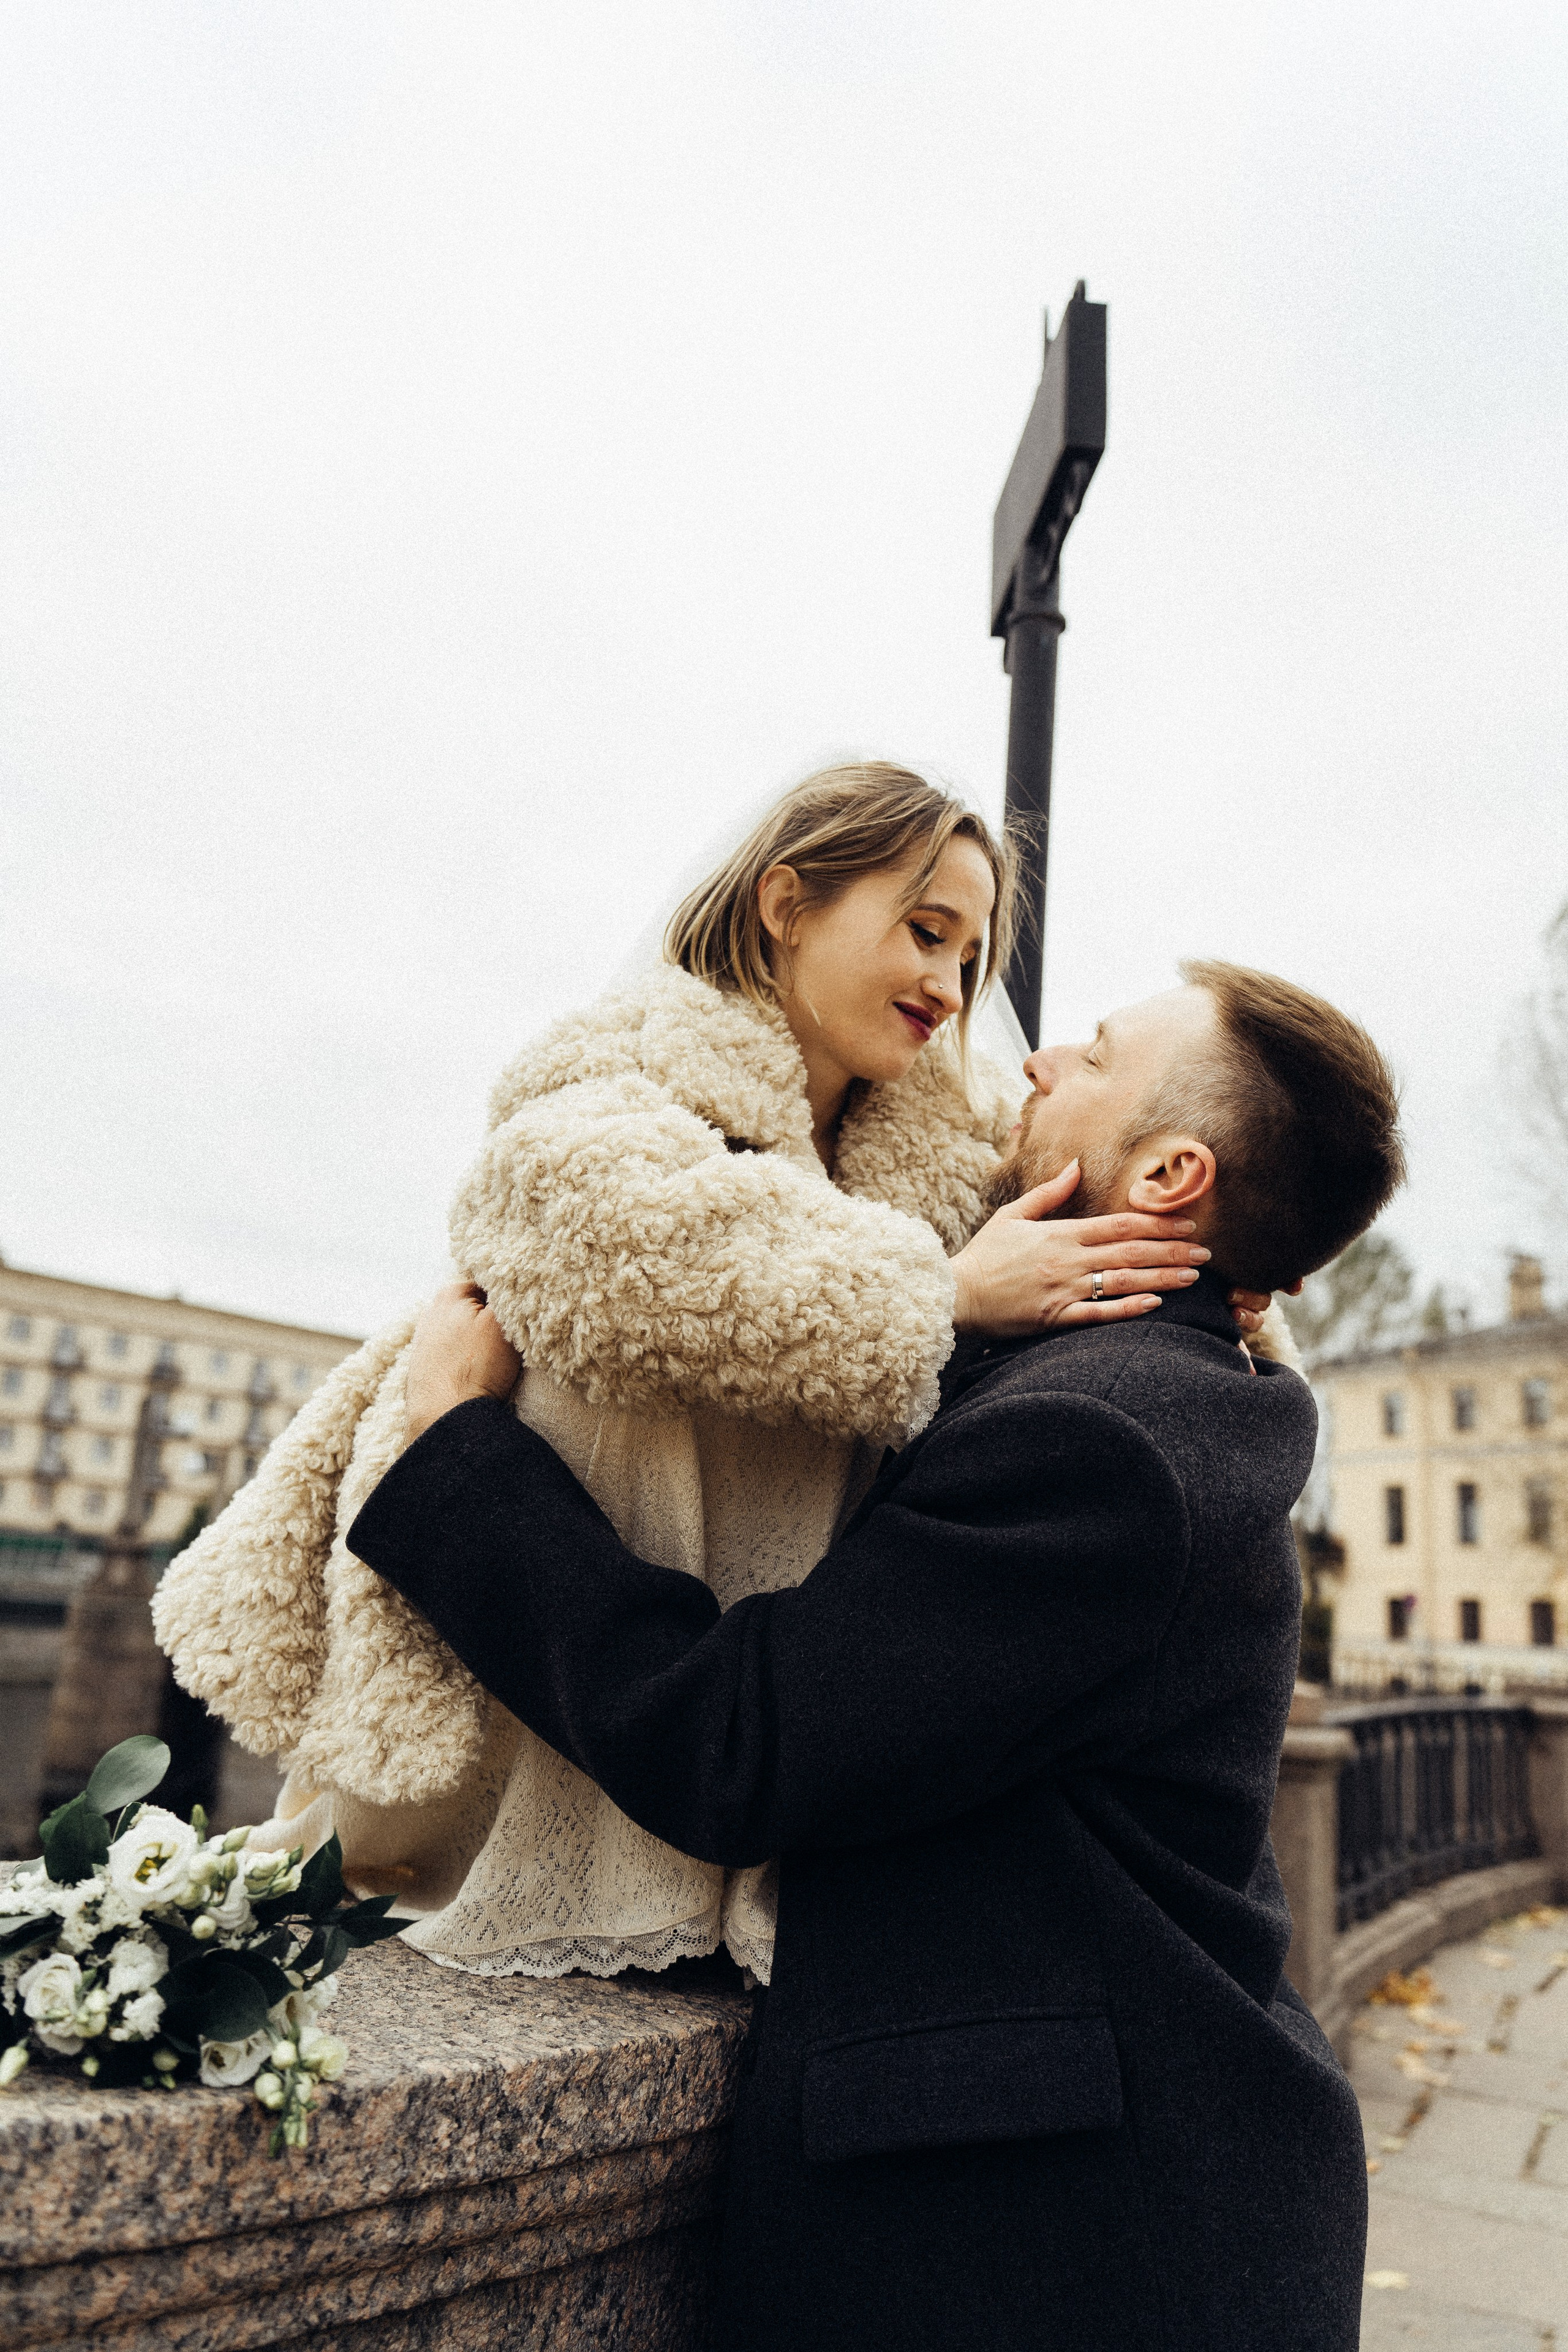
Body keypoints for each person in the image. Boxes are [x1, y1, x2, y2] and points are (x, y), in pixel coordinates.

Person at [345, 959, 1403, 2352]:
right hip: (1111, 2186)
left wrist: (458, 1456)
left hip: (1059, 2245)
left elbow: (739, 1742)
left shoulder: (1106, 1444)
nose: (1034, 1065)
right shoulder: (1172, 1393)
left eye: (1090, 1055)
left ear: (1167, 1176)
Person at [154, 765, 1282, 1982]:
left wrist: (1226, 1276)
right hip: (527, 1732)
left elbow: (1130, 1207)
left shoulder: (946, 1162)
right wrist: (939, 1295)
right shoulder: (612, 1074)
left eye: (969, 958)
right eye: (924, 931)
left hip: (731, 1743)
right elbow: (618, 1242)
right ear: (784, 904)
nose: (948, 989)